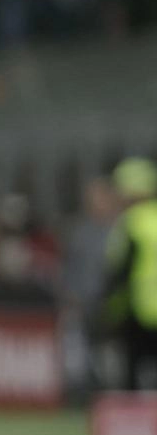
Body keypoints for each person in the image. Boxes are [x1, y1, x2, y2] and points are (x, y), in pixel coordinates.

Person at [107, 155, 157, 390]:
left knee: (131, 379)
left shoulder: (132, 222)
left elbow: (121, 272)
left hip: (139, 313)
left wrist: (111, 308)